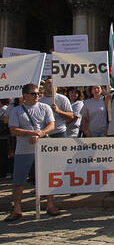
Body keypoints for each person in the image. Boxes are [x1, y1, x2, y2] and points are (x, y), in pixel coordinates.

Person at [5, 83, 59, 221]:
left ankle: (50, 204)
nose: (37, 96)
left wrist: (41, 133)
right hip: (23, 150)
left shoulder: (45, 107)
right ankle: (17, 208)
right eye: (33, 94)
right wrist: (31, 133)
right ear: (25, 96)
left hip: (43, 148)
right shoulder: (16, 111)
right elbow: (14, 130)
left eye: (38, 93)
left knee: (47, 177)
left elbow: (51, 125)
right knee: (19, 180)